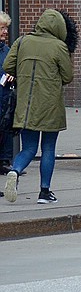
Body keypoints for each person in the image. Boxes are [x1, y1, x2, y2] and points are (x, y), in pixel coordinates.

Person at [3, 9, 77, 204]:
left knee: (28, 148)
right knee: (48, 148)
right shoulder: (59, 46)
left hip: (26, 104)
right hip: (50, 105)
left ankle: (14, 170)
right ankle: (44, 192)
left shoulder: (22, 41)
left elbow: (8, 67)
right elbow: (68, 77)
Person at [0, 11, 13, 176]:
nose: (5, 32)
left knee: (4, 130)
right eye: (2, 28)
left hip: (4, 96)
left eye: (5, 28)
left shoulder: (7, 49)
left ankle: (4, 160)